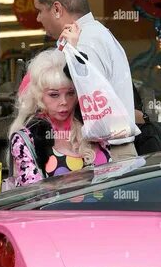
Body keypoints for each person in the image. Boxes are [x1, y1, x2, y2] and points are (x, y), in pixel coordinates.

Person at [33, 0, 139, 161]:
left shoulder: (84, 42)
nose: (38, 18)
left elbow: (89, 103)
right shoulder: (93, 34)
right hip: (105, 150)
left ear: (57, 9)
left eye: (40, 10)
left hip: (104, 154)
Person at [9, 48, 110, 187]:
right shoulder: (27, 138)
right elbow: (33, 197)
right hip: (56, 209)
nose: (64, 101)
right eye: (54, 94)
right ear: (38, 96)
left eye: (70, 93)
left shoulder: (93, 124)